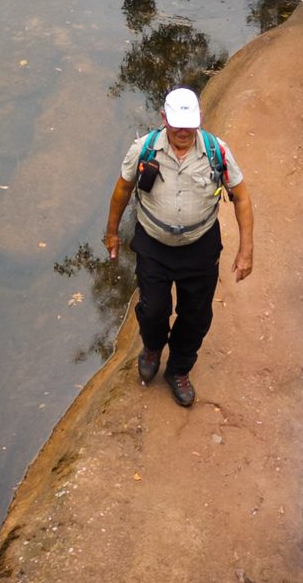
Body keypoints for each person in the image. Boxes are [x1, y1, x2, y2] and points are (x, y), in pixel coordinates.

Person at [103, 87, 253, 407]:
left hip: (200, 246)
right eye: (176, 123)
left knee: (196, 316)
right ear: (163, 119)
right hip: (154, 244)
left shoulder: (217, 152)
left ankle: (179, 369)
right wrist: (111, 232)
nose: (183, 131)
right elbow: (123, 189)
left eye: (189, 122)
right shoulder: (144, 149)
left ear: (199, 118)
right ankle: (153, 347)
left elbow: (241, 196)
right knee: (154, 310)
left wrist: (246, 249)